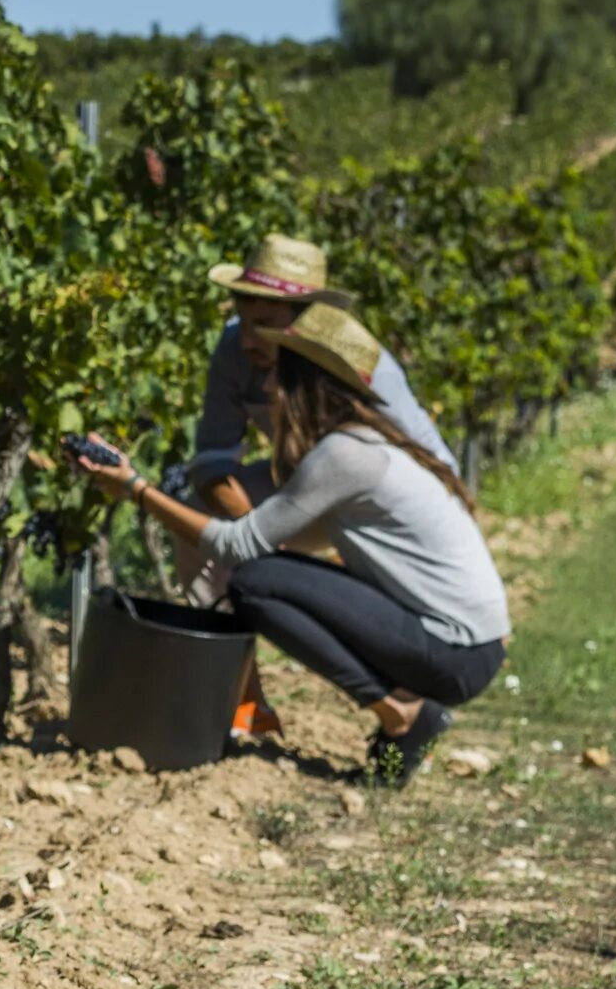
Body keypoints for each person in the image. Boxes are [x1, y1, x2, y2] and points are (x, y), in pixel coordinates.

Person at [77, 305, 508, 786]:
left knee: (256, 584)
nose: (263, 389)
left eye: (275, 376)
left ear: (303, 385)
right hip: (469, 645)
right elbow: (295, 540)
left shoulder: (344, 455)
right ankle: (398, 722)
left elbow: (238, 546)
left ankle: (402, 714)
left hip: (456, 654)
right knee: (267, 577)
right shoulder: (362, 443)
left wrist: (135, 487)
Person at [179, 234, 455, 743]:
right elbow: (213, 459)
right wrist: (255, 530)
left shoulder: (360, 363)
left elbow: (431, 470)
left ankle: (407, 709)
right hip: (298, 487)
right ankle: (241, 707)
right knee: (196, 521)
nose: (247, 337)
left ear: (307, 318)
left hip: (377, 499)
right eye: (244, 315)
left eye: (265, 322)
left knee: (372, 599)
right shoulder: (234, 348)